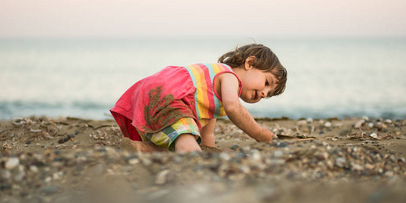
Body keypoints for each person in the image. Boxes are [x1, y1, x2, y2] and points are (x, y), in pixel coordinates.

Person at [110, 43, 287, 153]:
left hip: (152, 92)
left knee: (175, 138)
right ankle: (191, 159)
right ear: (250, 63)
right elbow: (234, 108)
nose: (264, 93)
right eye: (266, 82)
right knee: (186, 138)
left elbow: (206, 133)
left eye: (269, 94)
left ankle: (141, 148)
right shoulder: (229, 76)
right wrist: (260, 133)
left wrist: (208, 150)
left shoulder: (213, 91)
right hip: (171, 96)